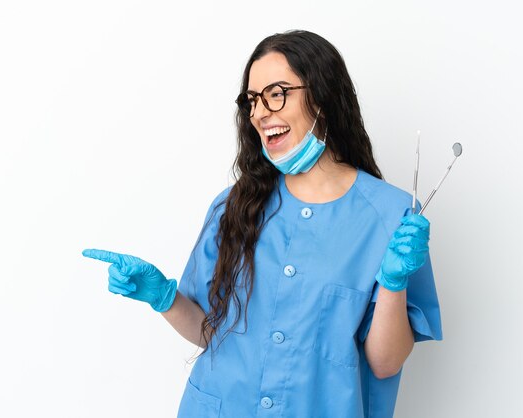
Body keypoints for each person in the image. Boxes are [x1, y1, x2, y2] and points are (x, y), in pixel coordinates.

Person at [83, 29, 442, 418]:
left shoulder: (392, 215)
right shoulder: (234, 206)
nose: (258, 112)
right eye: (252, 100)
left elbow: (385, 363)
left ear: (321, 94)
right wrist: (164, 299)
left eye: (276, 93)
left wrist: (393, 283)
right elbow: (211, 333)